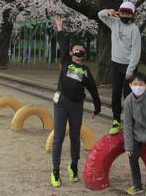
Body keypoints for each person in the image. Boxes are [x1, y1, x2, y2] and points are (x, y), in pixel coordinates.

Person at [50, 16, 101, 188]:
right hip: (61, 103)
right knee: (58, 137)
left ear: (84, 54)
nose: (78, 51)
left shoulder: (85, 70)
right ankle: (55, 171)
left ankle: (73, 167)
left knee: (74, 137)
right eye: (75, 50)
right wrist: (60, 28)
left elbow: (93, 89)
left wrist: (97, 107)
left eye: (81, 50)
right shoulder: (65, 61)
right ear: (71, 53)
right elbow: (63, 43)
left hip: (76, 106)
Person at [98, 2, 142, 135]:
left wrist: (130, 70)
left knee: (129, 96)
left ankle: (131, 122)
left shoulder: (134, 29)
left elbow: (136, 51)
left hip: (129, 66)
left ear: (132, 15)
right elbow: (100, 15)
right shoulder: (114, 23)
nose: (125, 15)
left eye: (128, 13)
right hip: (115, 64)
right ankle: (116, 120)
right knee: (115, 94)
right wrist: (108, 11)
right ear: (119, 13)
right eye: (123, 12)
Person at [123, 71, 146, 196]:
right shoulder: (128, 100)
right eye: (135, 84)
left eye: (141, 84)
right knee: (132, 156)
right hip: (136, 132)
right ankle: (137, 185)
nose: (138, 87)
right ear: (130, 85)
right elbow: (127, 124)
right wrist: (128, 146)